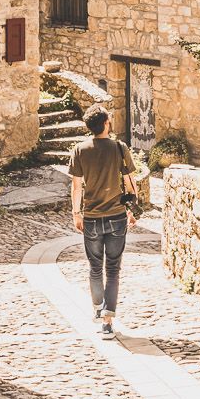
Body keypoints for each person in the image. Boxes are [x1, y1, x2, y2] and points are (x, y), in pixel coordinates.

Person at [68, 104, 137, 340]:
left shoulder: (80, 150)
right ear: (106, 123)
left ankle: (98, 307)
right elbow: (130, 183)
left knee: (95, 267)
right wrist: (130, 209)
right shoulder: (119, 148)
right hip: (117, 216)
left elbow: (77, 186)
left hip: (92, 218)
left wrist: (77, 214)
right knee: (113, 269)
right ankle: (108, 321)